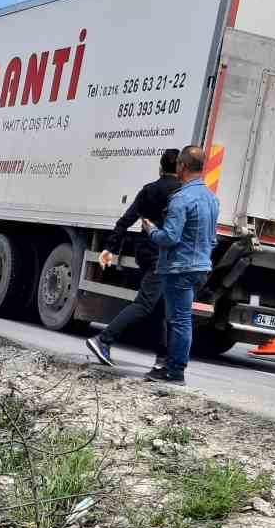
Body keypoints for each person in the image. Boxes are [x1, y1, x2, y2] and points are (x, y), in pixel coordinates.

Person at [86, 149, 182, 372]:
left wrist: (110, 248)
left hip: (145, 252)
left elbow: (125, 221)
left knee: (161, 306)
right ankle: (103, 339)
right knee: (146, 303)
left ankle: (162, 357)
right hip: (164, 256)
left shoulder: (148, 190)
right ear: (180, 168)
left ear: (160, 168)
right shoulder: (181, 193)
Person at [140, 144, 220, 385]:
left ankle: (175, 371)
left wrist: (151, 230)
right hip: (200, 267)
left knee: (179, 320)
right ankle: (171, 368)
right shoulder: (212, 199)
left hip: (179, 268)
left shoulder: (181, 199)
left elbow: (170, 237)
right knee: (180, 318)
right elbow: (213, 239)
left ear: (182, 166)